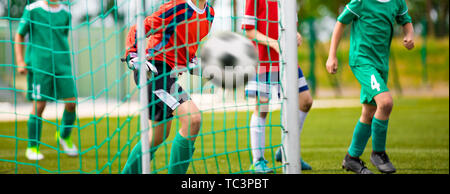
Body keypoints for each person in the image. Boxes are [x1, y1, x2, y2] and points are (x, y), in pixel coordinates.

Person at [121, 0, 214, 174]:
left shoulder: (210, 14)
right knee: (193, 119)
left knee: (156, 137)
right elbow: (138, 29)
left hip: (169, 75)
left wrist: (194, 63)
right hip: (153, 71)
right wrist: (133, 56)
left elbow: (185, 46)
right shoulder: (177, 7)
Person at [326, 0, 414, 174]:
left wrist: (410, 35)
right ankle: (378, 153)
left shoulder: (397, 2)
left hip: (381, 64)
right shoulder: (361, 2)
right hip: (362, 61)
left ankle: (351, 158)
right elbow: (340, 23)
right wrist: (332, 56)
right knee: (386, 102)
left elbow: (406, 22)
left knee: (369, 112)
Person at [242, 0, 313, 173]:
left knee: (305, 101)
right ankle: (257, 161)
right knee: (262, 106)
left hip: (287, 60)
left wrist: (296, 35)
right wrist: (273, 42)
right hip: (263, 61)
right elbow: (249, 31)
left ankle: (288, 150)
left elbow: (289, 27)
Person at [15, 0, 78, 161]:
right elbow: (19, 34)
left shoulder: (66, 13)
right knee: (40, 105)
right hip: (39, 65)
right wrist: (20, 61)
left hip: (63, 64)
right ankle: (32, 147)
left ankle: (64, 136)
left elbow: (62, 36)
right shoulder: (32, 10)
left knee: (71, 103)